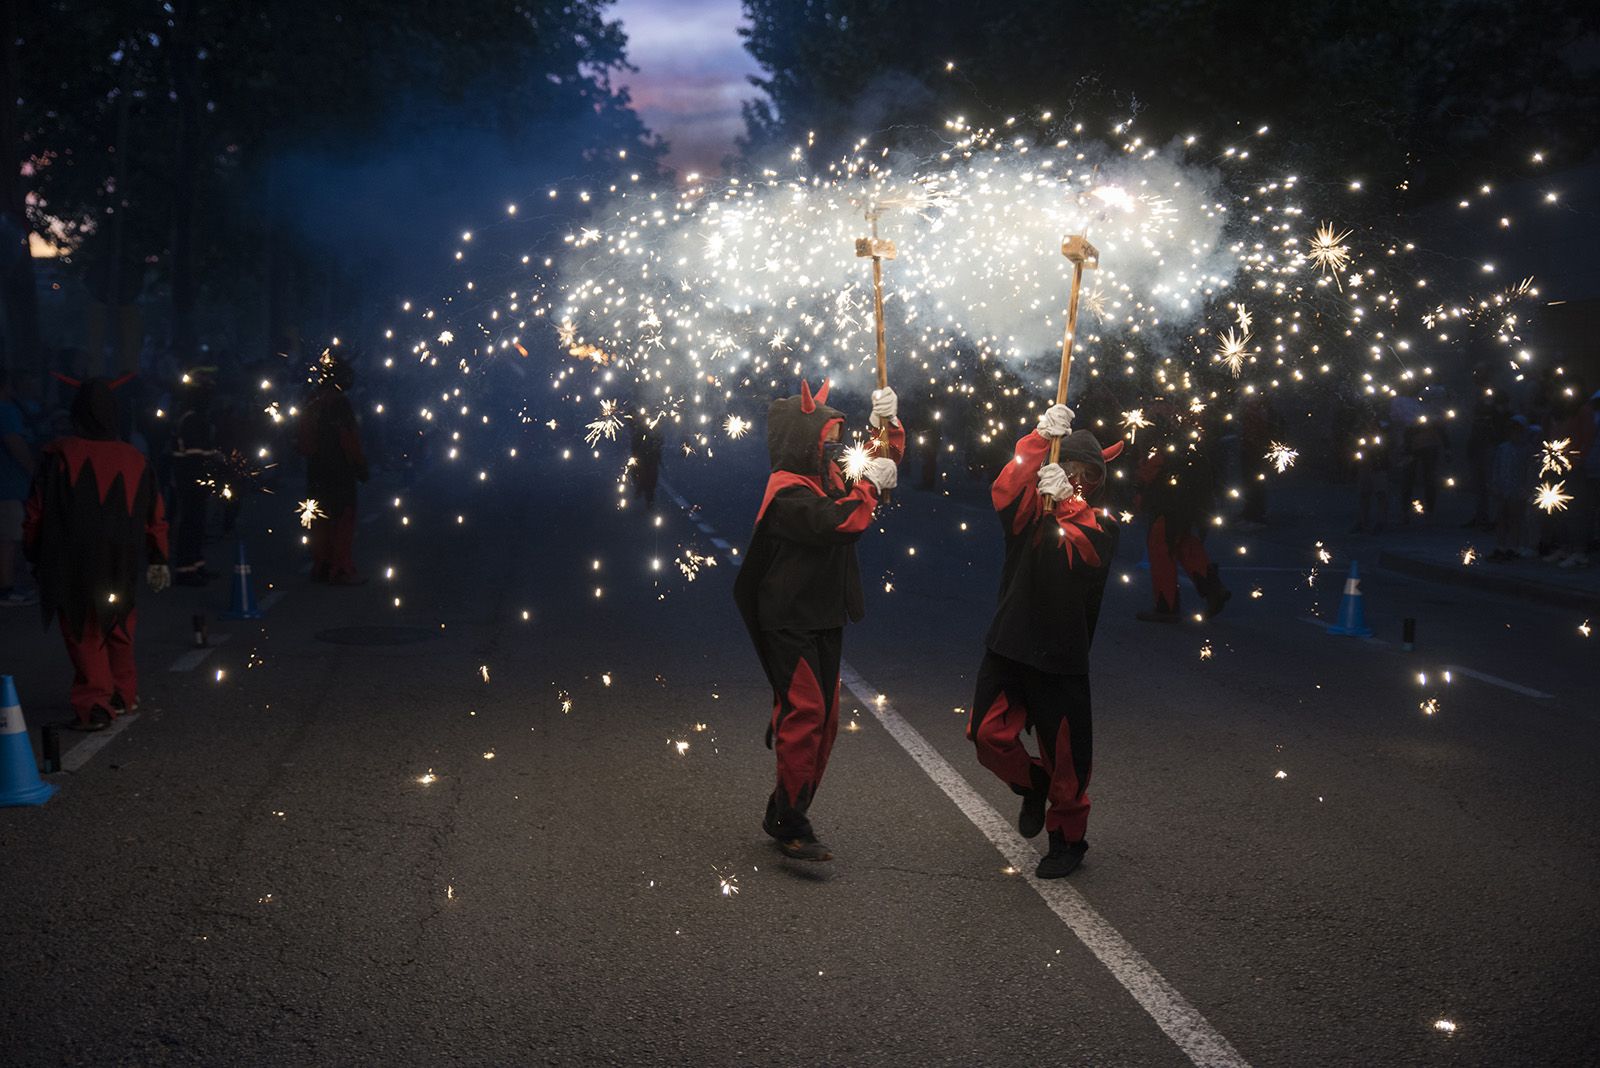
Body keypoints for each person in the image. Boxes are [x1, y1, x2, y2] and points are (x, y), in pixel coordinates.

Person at [732, 380, 902, 861]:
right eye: (826, 440)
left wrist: (882, 429)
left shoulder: (825, 475)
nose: (833, 448)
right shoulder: (786, 491)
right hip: (787, 618)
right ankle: (789, 818)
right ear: (802, 442)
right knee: (807, 711)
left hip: (824, 614)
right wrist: (871, 483)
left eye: (834, 439)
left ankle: (787, 807)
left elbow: (872, 467)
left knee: (823, 721)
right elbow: (842, 521)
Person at [968, 403, 1122, 878]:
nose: (1075, 478)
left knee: (1068, 762)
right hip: (1011, 643)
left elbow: (1087, 549)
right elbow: (1005, 489)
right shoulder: (1028, 512)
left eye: (1086, 474)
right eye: (1068, 467)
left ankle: (1068, 839)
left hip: (1059, 656)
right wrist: (1035, 439)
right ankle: (1031, 784)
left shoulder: (1102, 524)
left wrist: (1069, 506)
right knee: (986, 735)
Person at [22, 378, 170, 731]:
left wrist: (33, 552)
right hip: (121, 563)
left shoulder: (59, 455)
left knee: (83, 629)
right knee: (118, 624)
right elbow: (156, 515)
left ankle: (96, 704)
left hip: (72, 563)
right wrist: (159, 558)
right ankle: (123, 693)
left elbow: (35, 512)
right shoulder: (136, 459)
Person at [1133, 404, 1230, 621]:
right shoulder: (1184, 431)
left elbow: (1149, 471)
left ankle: (1166, 606)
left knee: (1160, 549)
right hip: (1188, 501)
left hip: (1168, 503)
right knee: (1184, 542)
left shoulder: (1162, 434)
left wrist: (1138, 486)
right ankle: (1214, 589)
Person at [297, 351, 369, 584]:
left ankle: (322, 565)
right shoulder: (340, 403)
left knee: (319, 517)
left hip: (316, 469)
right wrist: (360, 465)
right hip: (339, 469)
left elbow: (302, 438)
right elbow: (348, 437)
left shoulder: (312, 399)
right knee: (342, 518)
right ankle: (340, 569)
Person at [170, 371, 218, 585]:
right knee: (190, 522)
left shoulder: (195, 416)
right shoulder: (191, 418)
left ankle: (196, 565)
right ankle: (185, 570)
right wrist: (215, 456)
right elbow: (195, 451)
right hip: (189, 478)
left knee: (198, 522)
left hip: (195, 476)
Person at [0, 369, 37, 606]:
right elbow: (15, 445)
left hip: (7, 484)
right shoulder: (6, 411)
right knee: (8, 539)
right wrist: (33, 470)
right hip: (8, 485)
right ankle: (6, 590)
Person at [628, 416, 663, 509]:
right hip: (642, 457)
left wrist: (656, 447)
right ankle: (640, 489)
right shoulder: (640, 430)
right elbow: (634, 444)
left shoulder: (654, 429)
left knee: (651, 479)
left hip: (651, 457)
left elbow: (660, 439)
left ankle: (648, 498)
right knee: (639, 474)